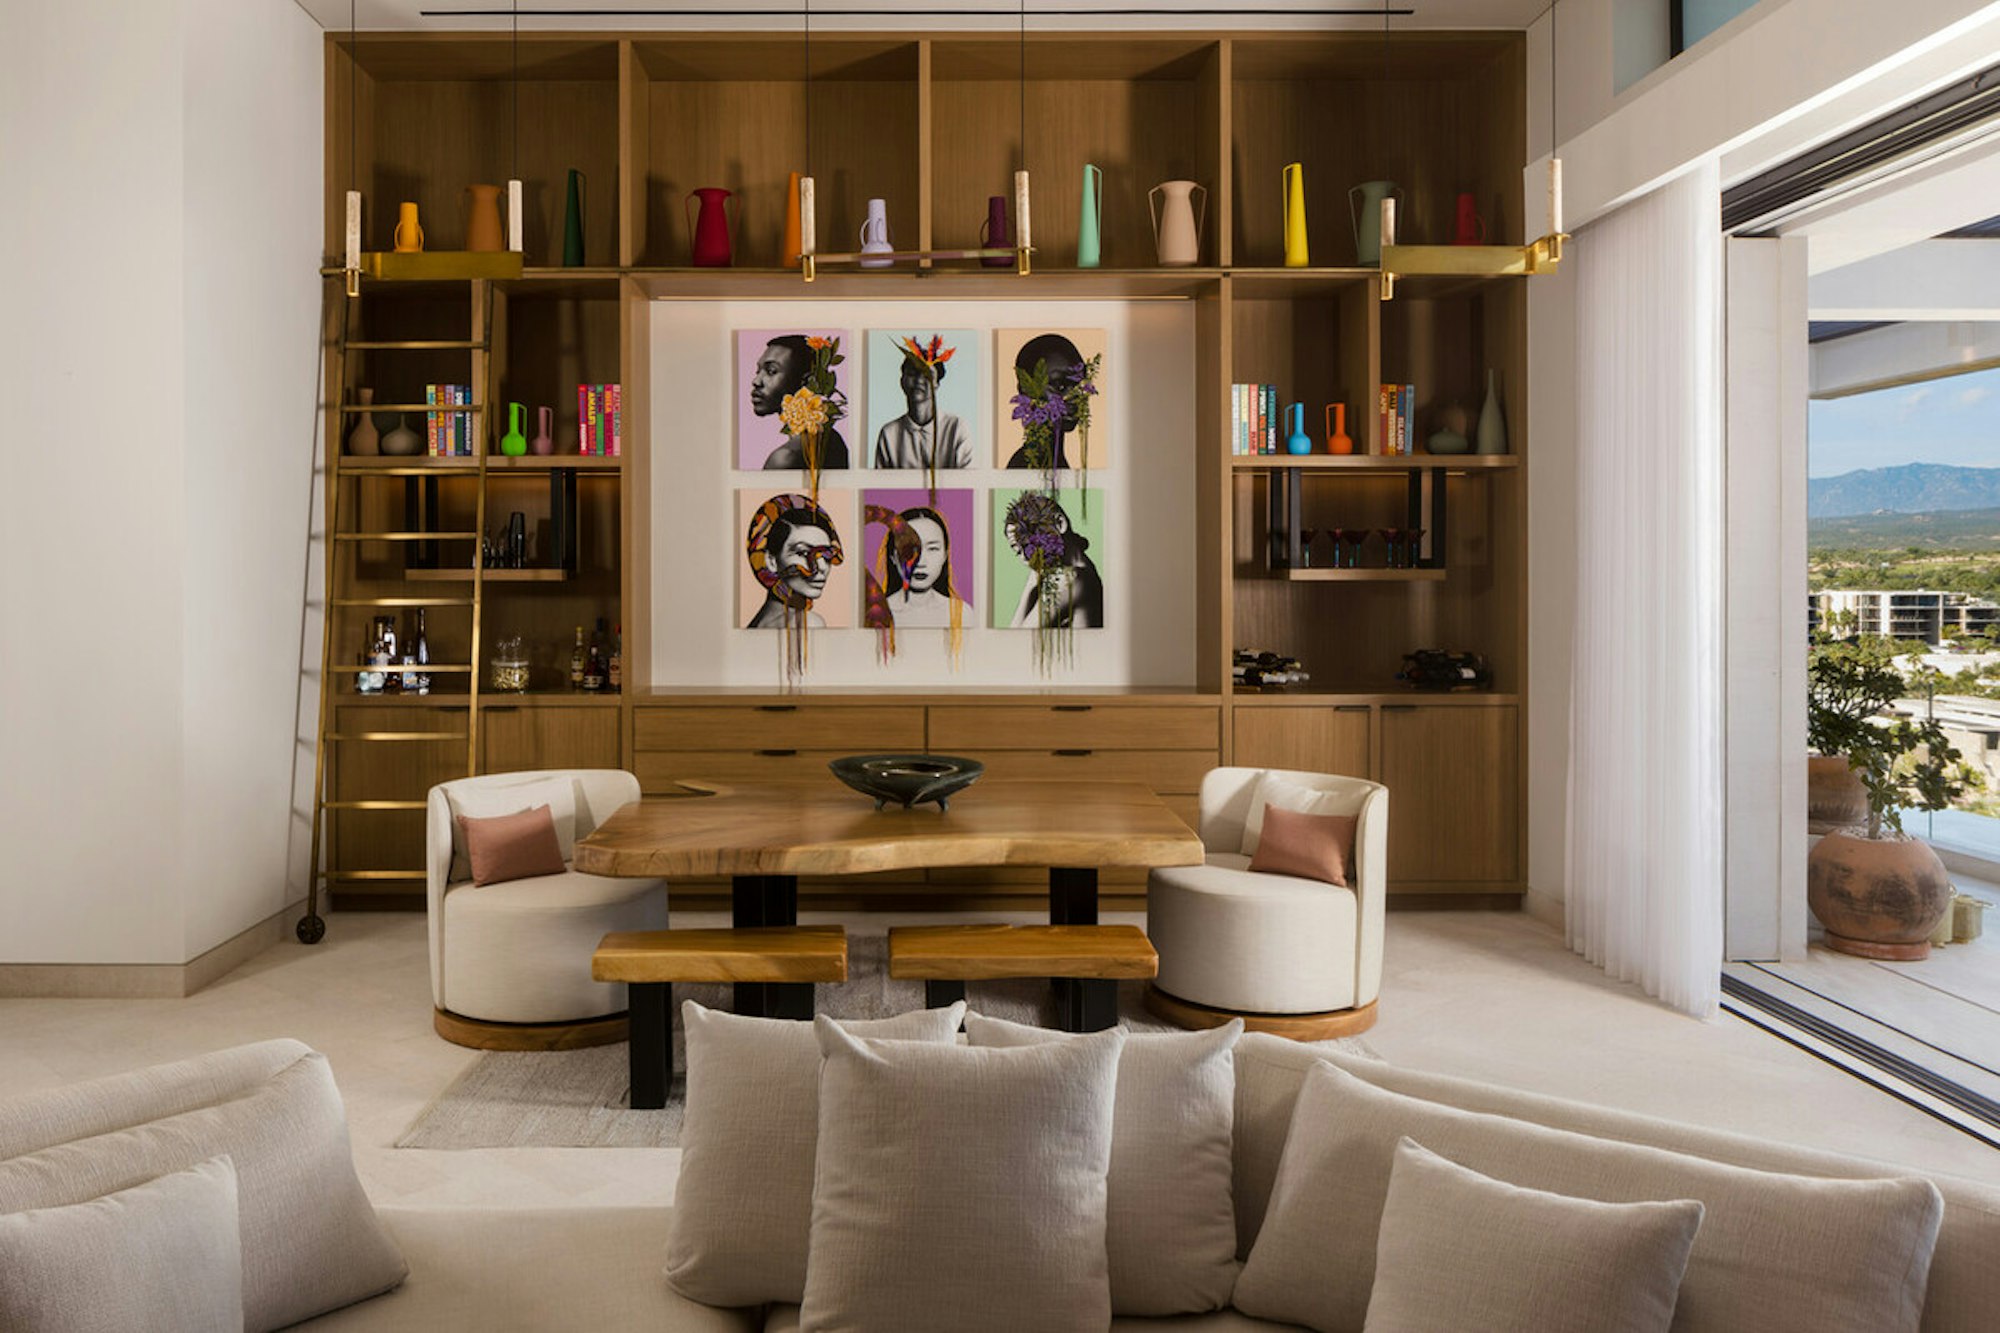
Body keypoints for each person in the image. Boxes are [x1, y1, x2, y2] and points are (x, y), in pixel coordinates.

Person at [749, 335, 849, 470]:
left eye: (771, 371)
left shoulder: (785, 458)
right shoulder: (832, 437)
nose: (756, 381)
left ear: (806, 381)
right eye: (758, 371)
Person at [1005, 493, 1103, 629]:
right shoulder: (1084, 573)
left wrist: (1030, 585)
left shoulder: (1070, 579)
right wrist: (1032, 583)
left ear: (1059, 524)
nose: (1026, 558)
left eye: (1028, 544)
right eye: (1018, 551)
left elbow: (1014, 638)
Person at [746, 499, 842, 629]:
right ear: (771, 561)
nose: (822, 567)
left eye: (826, 555)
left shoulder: (759, 623)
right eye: (802, 553)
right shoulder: (807, 622)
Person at [874, 351, 971, 470]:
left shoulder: (956, 427)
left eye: (927, 375)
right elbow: (880, 481)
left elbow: (968, 479)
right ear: (902, 381)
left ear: (936, 384)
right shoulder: (889, 433)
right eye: (912, 373)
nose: (919, 380)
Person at [1003, 332, 1085, 470]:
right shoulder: (1027, 466)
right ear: (1025, 390)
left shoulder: (1055, 461)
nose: (1074, 397)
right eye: (1060, 386)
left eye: (1079, 387)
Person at [880, 507, 956, 627]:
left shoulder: (962, 614)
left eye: (932, 548)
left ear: (945, 555)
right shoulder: (879, 614)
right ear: (893, 556)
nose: (920, 562)